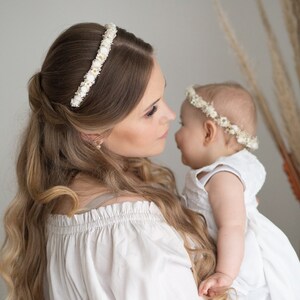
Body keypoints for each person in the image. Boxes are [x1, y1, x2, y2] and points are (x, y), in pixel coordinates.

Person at [0, 23, 228, 300]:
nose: (169, 114)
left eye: (162, 97)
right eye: (150, 111)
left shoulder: (62, 206)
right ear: (93, 131)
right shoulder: (128, 233)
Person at [175, 82, 300, 299]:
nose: (176, 134)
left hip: (236, 260)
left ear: (208, 132)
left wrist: (225, 273)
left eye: (182, 124)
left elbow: (232, 226)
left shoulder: (223, 177)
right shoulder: (222, 173)